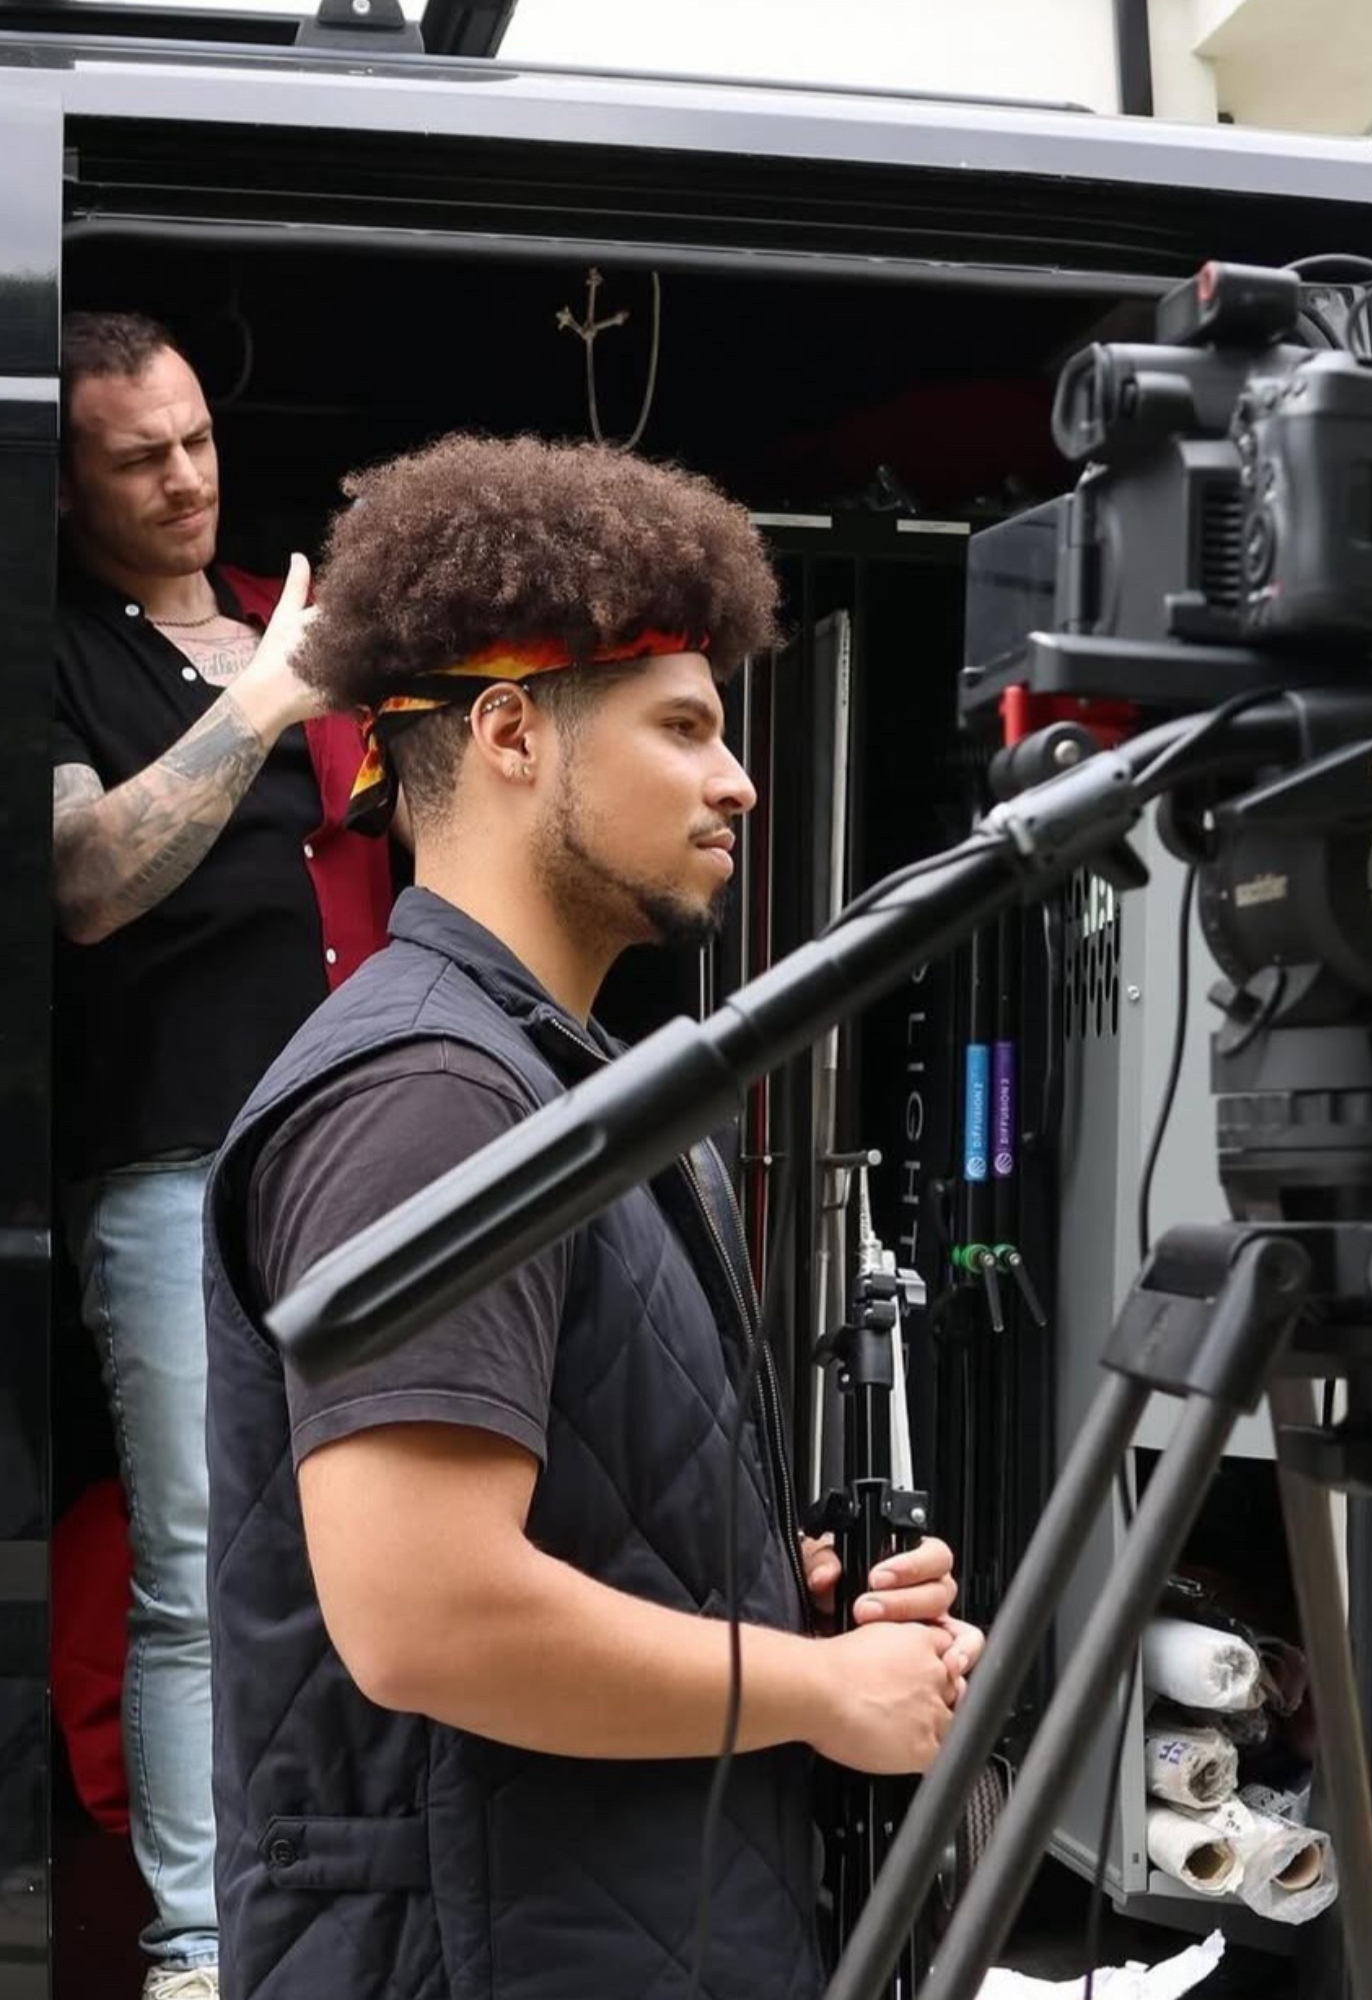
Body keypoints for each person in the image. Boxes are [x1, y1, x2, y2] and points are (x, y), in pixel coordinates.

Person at [202, 432, 982, 2000]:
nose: (737, 777)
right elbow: (429, 1614)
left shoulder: (567, 1086)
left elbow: (570, 1514)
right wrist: (815, 1693)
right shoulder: (429, 1096)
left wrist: (773, 1589)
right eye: (684, 726)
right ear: (510, 734)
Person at [52, 311, 392, 2000]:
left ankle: (335, 1918)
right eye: (138, 456)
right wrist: (262, 702)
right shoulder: (52, 642)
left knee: (371, 1544)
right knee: (195, 1573)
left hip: (343, 1155)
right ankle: (199, 1958)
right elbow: (88, 879)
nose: (186, 477)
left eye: (194, 438)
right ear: (63, 480)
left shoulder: (291, 611)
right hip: (171, 1164)